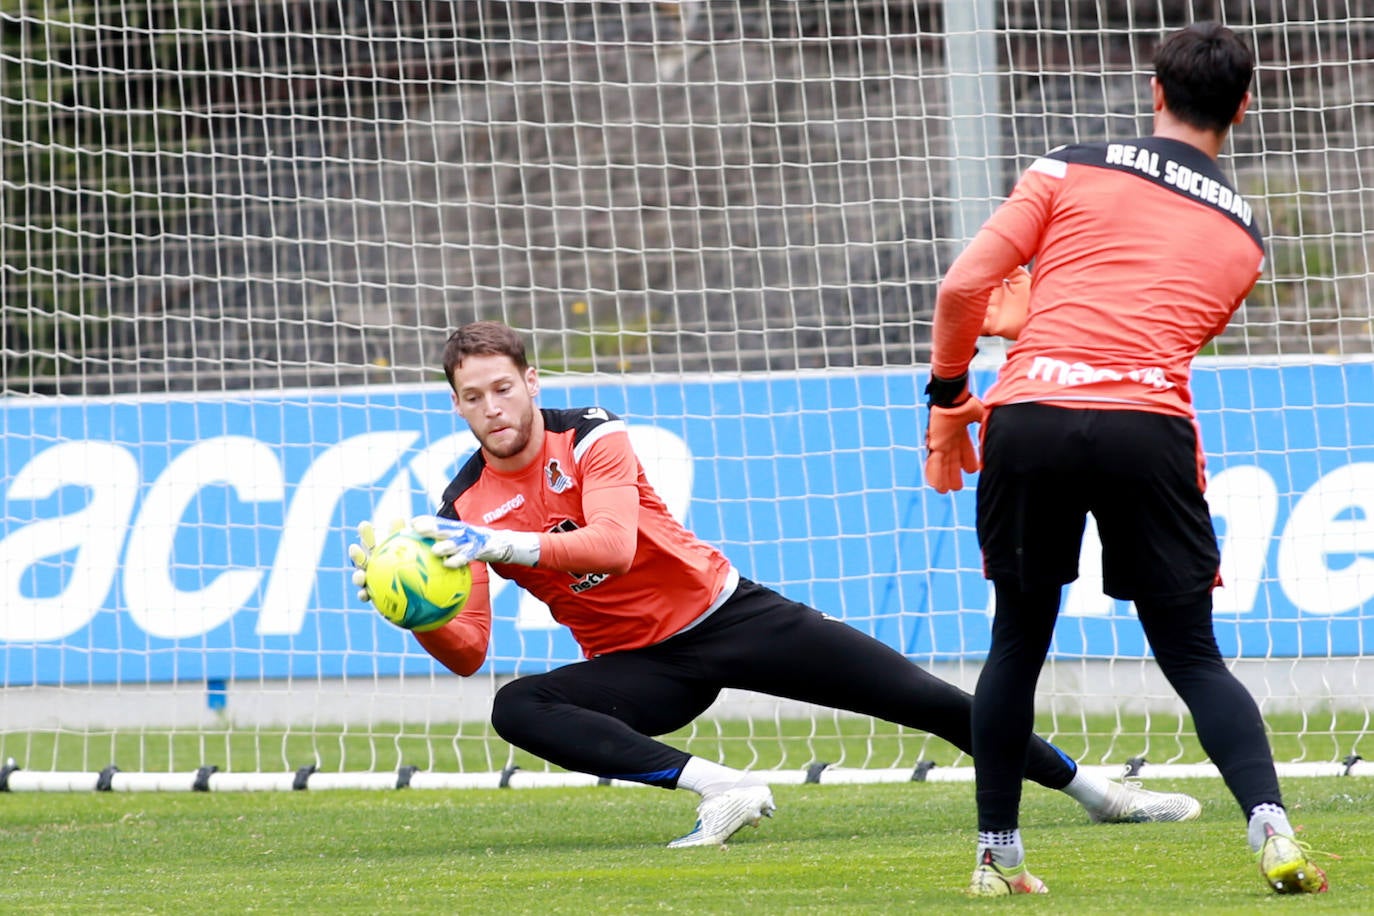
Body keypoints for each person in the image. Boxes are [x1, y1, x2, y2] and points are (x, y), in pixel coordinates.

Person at [349, 319, 1202, 849]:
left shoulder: (594, 437)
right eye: (474, 397)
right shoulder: (462, 500)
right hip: (640, 666)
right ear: (457, 406)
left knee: (926, 699)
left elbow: (608, 542)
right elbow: (469, 653)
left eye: (504, 387)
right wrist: (412, 609)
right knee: (514, 705)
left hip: (727, 615)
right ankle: (722, 789)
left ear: (531, 383)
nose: (493, 407)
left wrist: (497, 544)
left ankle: (1099, 795)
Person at [925, 22, 1330, 896]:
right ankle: (1272, 828)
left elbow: (961, 288)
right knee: (1191, 656)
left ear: (1155, 92)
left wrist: (951, 398)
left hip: (1030, 413)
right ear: (1245, 108)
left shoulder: (1067, 165)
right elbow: (1150, 334)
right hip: (1145, 426)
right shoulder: (1244, 237)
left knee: (1016, 642)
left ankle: (998, 856)